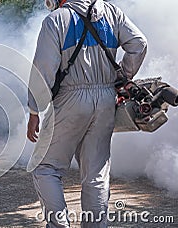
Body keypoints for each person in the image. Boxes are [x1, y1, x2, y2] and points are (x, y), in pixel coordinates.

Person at [27, 0, 147, 227]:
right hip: (105, 98)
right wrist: (123, 77)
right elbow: (139, 44)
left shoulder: (56, 20)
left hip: (70, 98)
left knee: (45, 167)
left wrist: (34, 110)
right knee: (96, 175)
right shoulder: (112, 12)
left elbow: (43, 70)